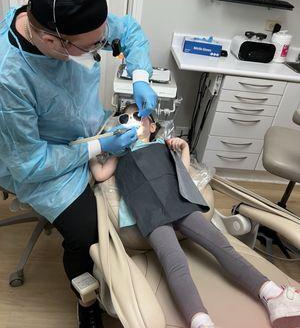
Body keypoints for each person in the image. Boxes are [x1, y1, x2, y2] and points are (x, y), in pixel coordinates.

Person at [0, 0, 157, 328]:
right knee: (87, 231)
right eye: (92, 48)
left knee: (141, 182)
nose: (100, 50)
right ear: (52, 42)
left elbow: (128, 30)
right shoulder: (9, 79)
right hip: (40, 161)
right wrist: (99, 147)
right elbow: (29, 162)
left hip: (88, 129)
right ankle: (86, 303)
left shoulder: (73, 23)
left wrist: (141, 77)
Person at [90, 104, 300, 328]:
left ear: (152, 126)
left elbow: (183, 173)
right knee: (174, 260)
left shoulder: (162, 144)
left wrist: (184, 149)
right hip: (149, 212)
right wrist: (98, 145)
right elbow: (100, 174)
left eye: (139, 116)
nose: (132, 119)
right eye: (126, 117)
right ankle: (200, 321)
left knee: (220, 245)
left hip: (179, 203)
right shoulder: (119, 154)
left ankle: (273, 295)